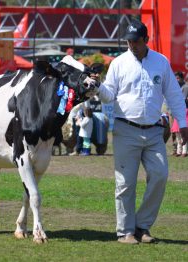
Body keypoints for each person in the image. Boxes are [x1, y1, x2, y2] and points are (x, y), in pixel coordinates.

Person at [97, 19, 188, 244]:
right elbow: (109, 94)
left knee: (160, 175)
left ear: (146, 40)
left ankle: (142, 226)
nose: (132, 46)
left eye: (136, 41)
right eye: (129, 42)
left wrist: (183, 124)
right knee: (125, 183)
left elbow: (174, 95)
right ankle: (125, 232)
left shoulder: (161, 62)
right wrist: (97, 87)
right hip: (125, 128)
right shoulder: (118, 63)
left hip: (155, 131)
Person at [170, 71, 188, 157]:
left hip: (183, 111)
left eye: (178, 78)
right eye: (175, 78)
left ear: (182, 78)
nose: (176, 80)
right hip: (176, 111)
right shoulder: (177, 87)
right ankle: (178, 151)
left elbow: (183, 100)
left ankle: (184, 151)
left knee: (182, 132)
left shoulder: (185, 87)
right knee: (176, 132)